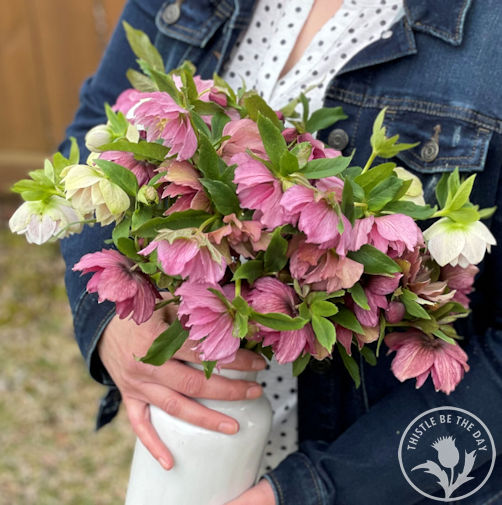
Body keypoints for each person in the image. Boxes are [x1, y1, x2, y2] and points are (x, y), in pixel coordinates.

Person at [59, 1, 502, 504]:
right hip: (192, 440)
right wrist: (110, 321)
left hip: (378, 478)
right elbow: (96, 132)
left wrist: (314, 491)